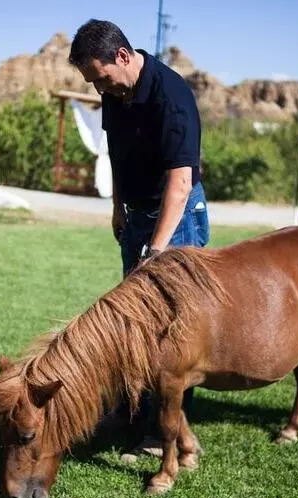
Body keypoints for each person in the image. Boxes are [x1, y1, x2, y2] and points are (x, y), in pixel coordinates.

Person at [69, 19, 210, 462]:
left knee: (172, 329)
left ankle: (162, 430)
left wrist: (157, 250)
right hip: (136, 213)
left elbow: (180, 183)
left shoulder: (172, 96)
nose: (98, 89)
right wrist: (117, 207)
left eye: (101, 77)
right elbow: (116, 153)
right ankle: (131, 411)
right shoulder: (116, 92)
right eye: (91, 82)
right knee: (134, 322)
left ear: (123, 57)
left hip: (177, 218)